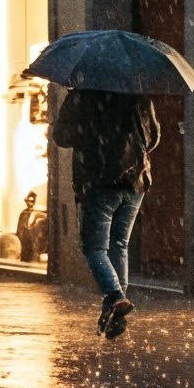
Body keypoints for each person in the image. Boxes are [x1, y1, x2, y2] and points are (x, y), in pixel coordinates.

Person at [52, 87, 161, 339]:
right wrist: (131, 151)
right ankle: (116, 316)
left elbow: (61, 137)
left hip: (98, 180)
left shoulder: (81, 96)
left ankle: (115, 296)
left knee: (94, 248)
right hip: (134, 181)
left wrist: (85, 129)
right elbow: (154, 137)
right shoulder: (138, 95)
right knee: (118, 245)